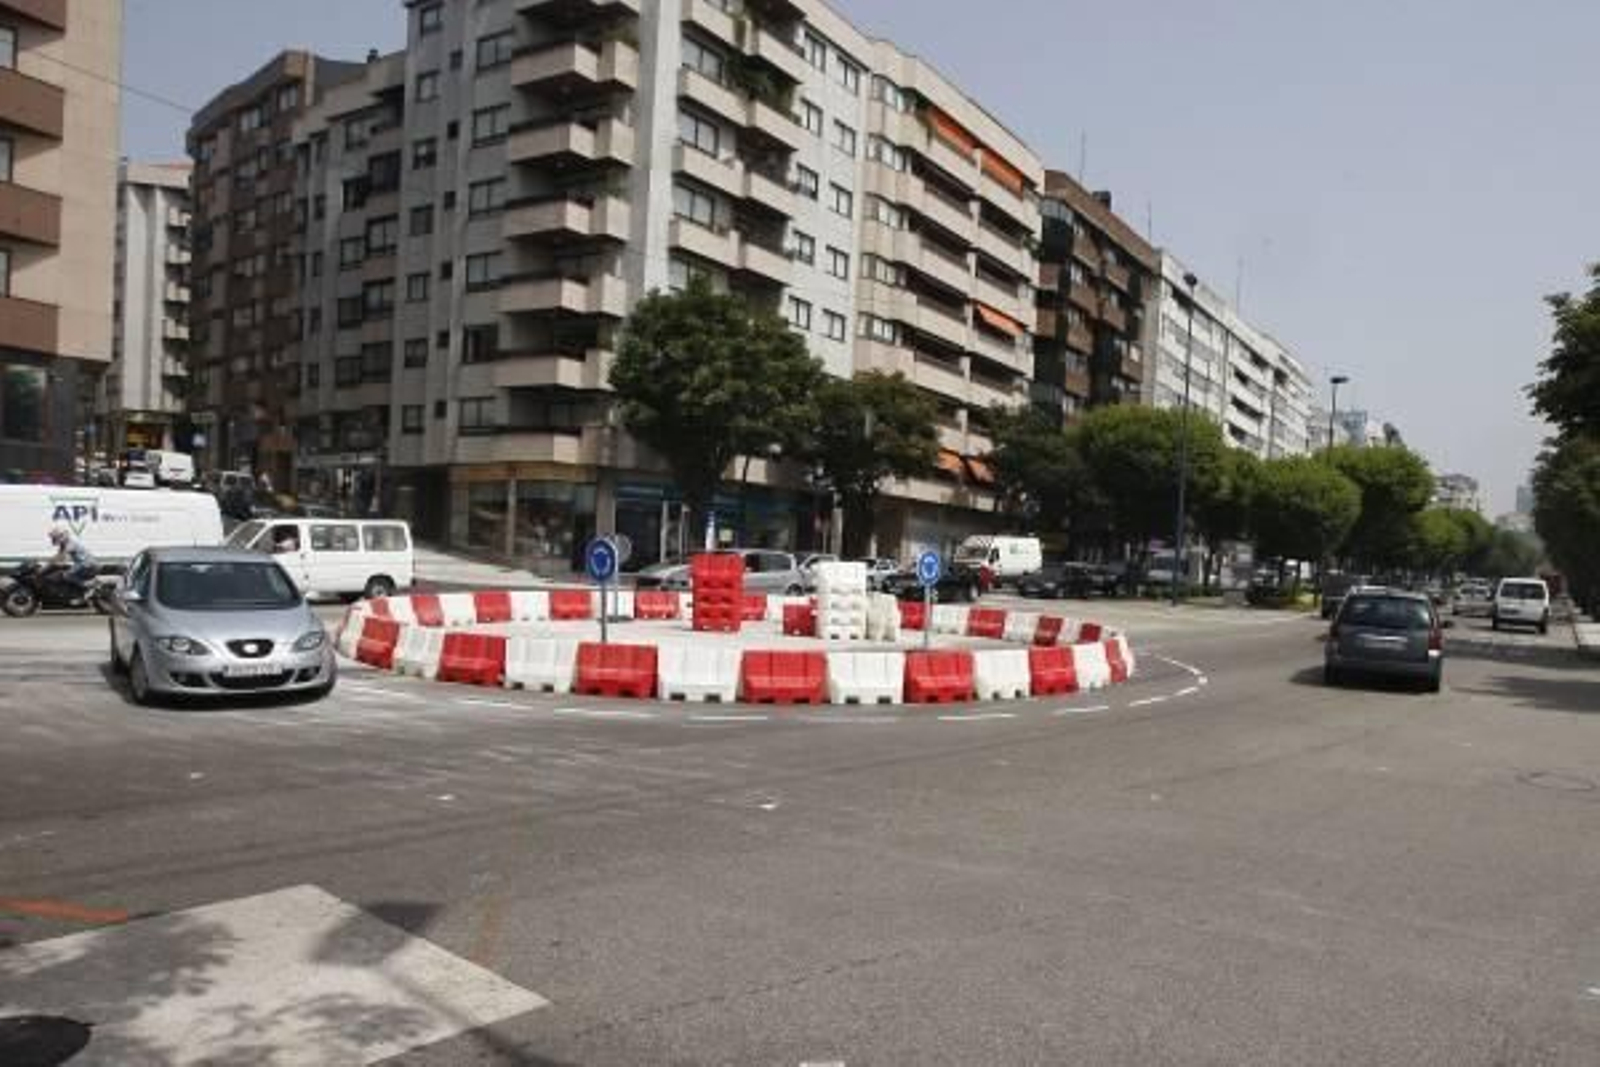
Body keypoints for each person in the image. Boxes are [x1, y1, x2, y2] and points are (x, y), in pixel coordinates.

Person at [47, 527, 99, 594]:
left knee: (67, 575)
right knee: (67, 572)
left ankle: (88, 584)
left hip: (87, 564)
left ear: (61, 536)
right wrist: (50, 561)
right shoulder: (64, 545)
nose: (53, 540)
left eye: (55, 537)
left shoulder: (70, 544)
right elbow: (58, 555)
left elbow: (63, 557)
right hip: (85, 564)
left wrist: (57, 562)